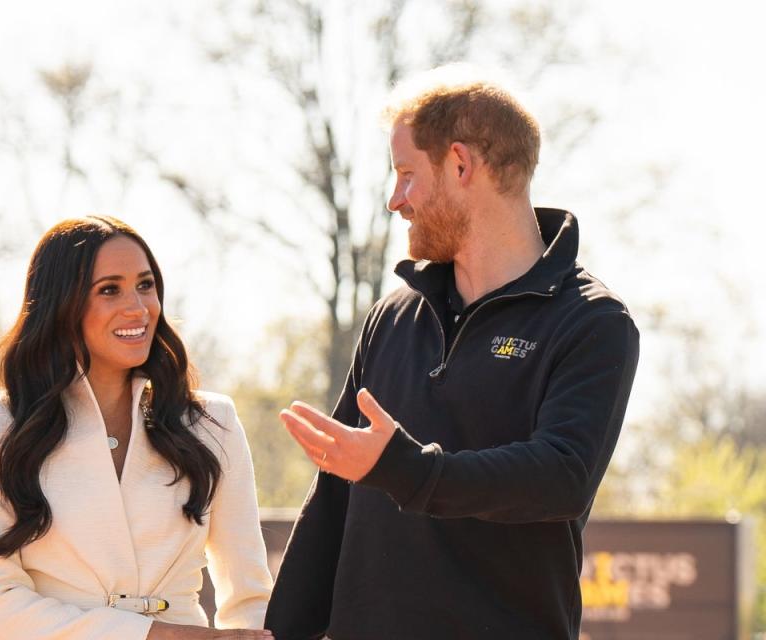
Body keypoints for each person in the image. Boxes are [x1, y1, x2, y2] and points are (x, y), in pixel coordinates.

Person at [265, 66, 640, 639]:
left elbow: (562, 475)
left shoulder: (591, 321)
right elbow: (332, 501)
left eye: (407, 175)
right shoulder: (391, 318)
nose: (396, 200)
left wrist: (407, 469)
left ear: (461, 164)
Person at [0, 216, 273, 639]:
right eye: (109, 290)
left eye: (145, 285)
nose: (139, 308)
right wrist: (166, 636)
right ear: (61, 304)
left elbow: (250, 597)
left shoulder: (212, 423)